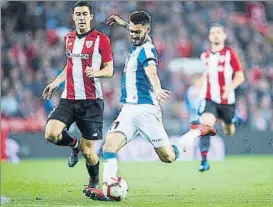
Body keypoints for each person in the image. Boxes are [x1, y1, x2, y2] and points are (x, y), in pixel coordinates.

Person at [83, 11, 216, 201]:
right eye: (132, 31)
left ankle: (197, 131)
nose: (134, 35)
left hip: (146, 110)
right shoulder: (138, 39)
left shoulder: (147, 50)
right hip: (128, 109)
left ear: (148, 30)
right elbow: (133, 28)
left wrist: (158, 88)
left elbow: (151, 71)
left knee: (168, 157)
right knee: (109, 147)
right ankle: (107, 191)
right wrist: (122, 23)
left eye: (138, 32)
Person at [42, 1, 113, 190]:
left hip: (91, 102)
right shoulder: (68, 38)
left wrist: (96, 73)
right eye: (78, 14)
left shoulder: (101, 39)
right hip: (69, 98)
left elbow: (110, 70)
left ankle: (93, 182)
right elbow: (70, 65)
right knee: (51, 134)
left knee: (88, 152)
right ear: (73, 17)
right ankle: (73, 144)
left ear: (91, 16)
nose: (81, 18)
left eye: (84, 14)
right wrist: (56, 82)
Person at [193, 23, 245, 171]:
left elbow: (240, 76)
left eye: (218, 32)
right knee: (206, 125)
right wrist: (198, 85)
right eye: (213, 33)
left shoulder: (230, 53)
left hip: (227, 100)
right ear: (209, 37)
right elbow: (205, 74)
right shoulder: (205, 56)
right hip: (209, 98)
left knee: (229, 131)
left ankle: (233, 117)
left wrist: (229, 88)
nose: (215, 35)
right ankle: (204, 161)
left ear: (224, 36)